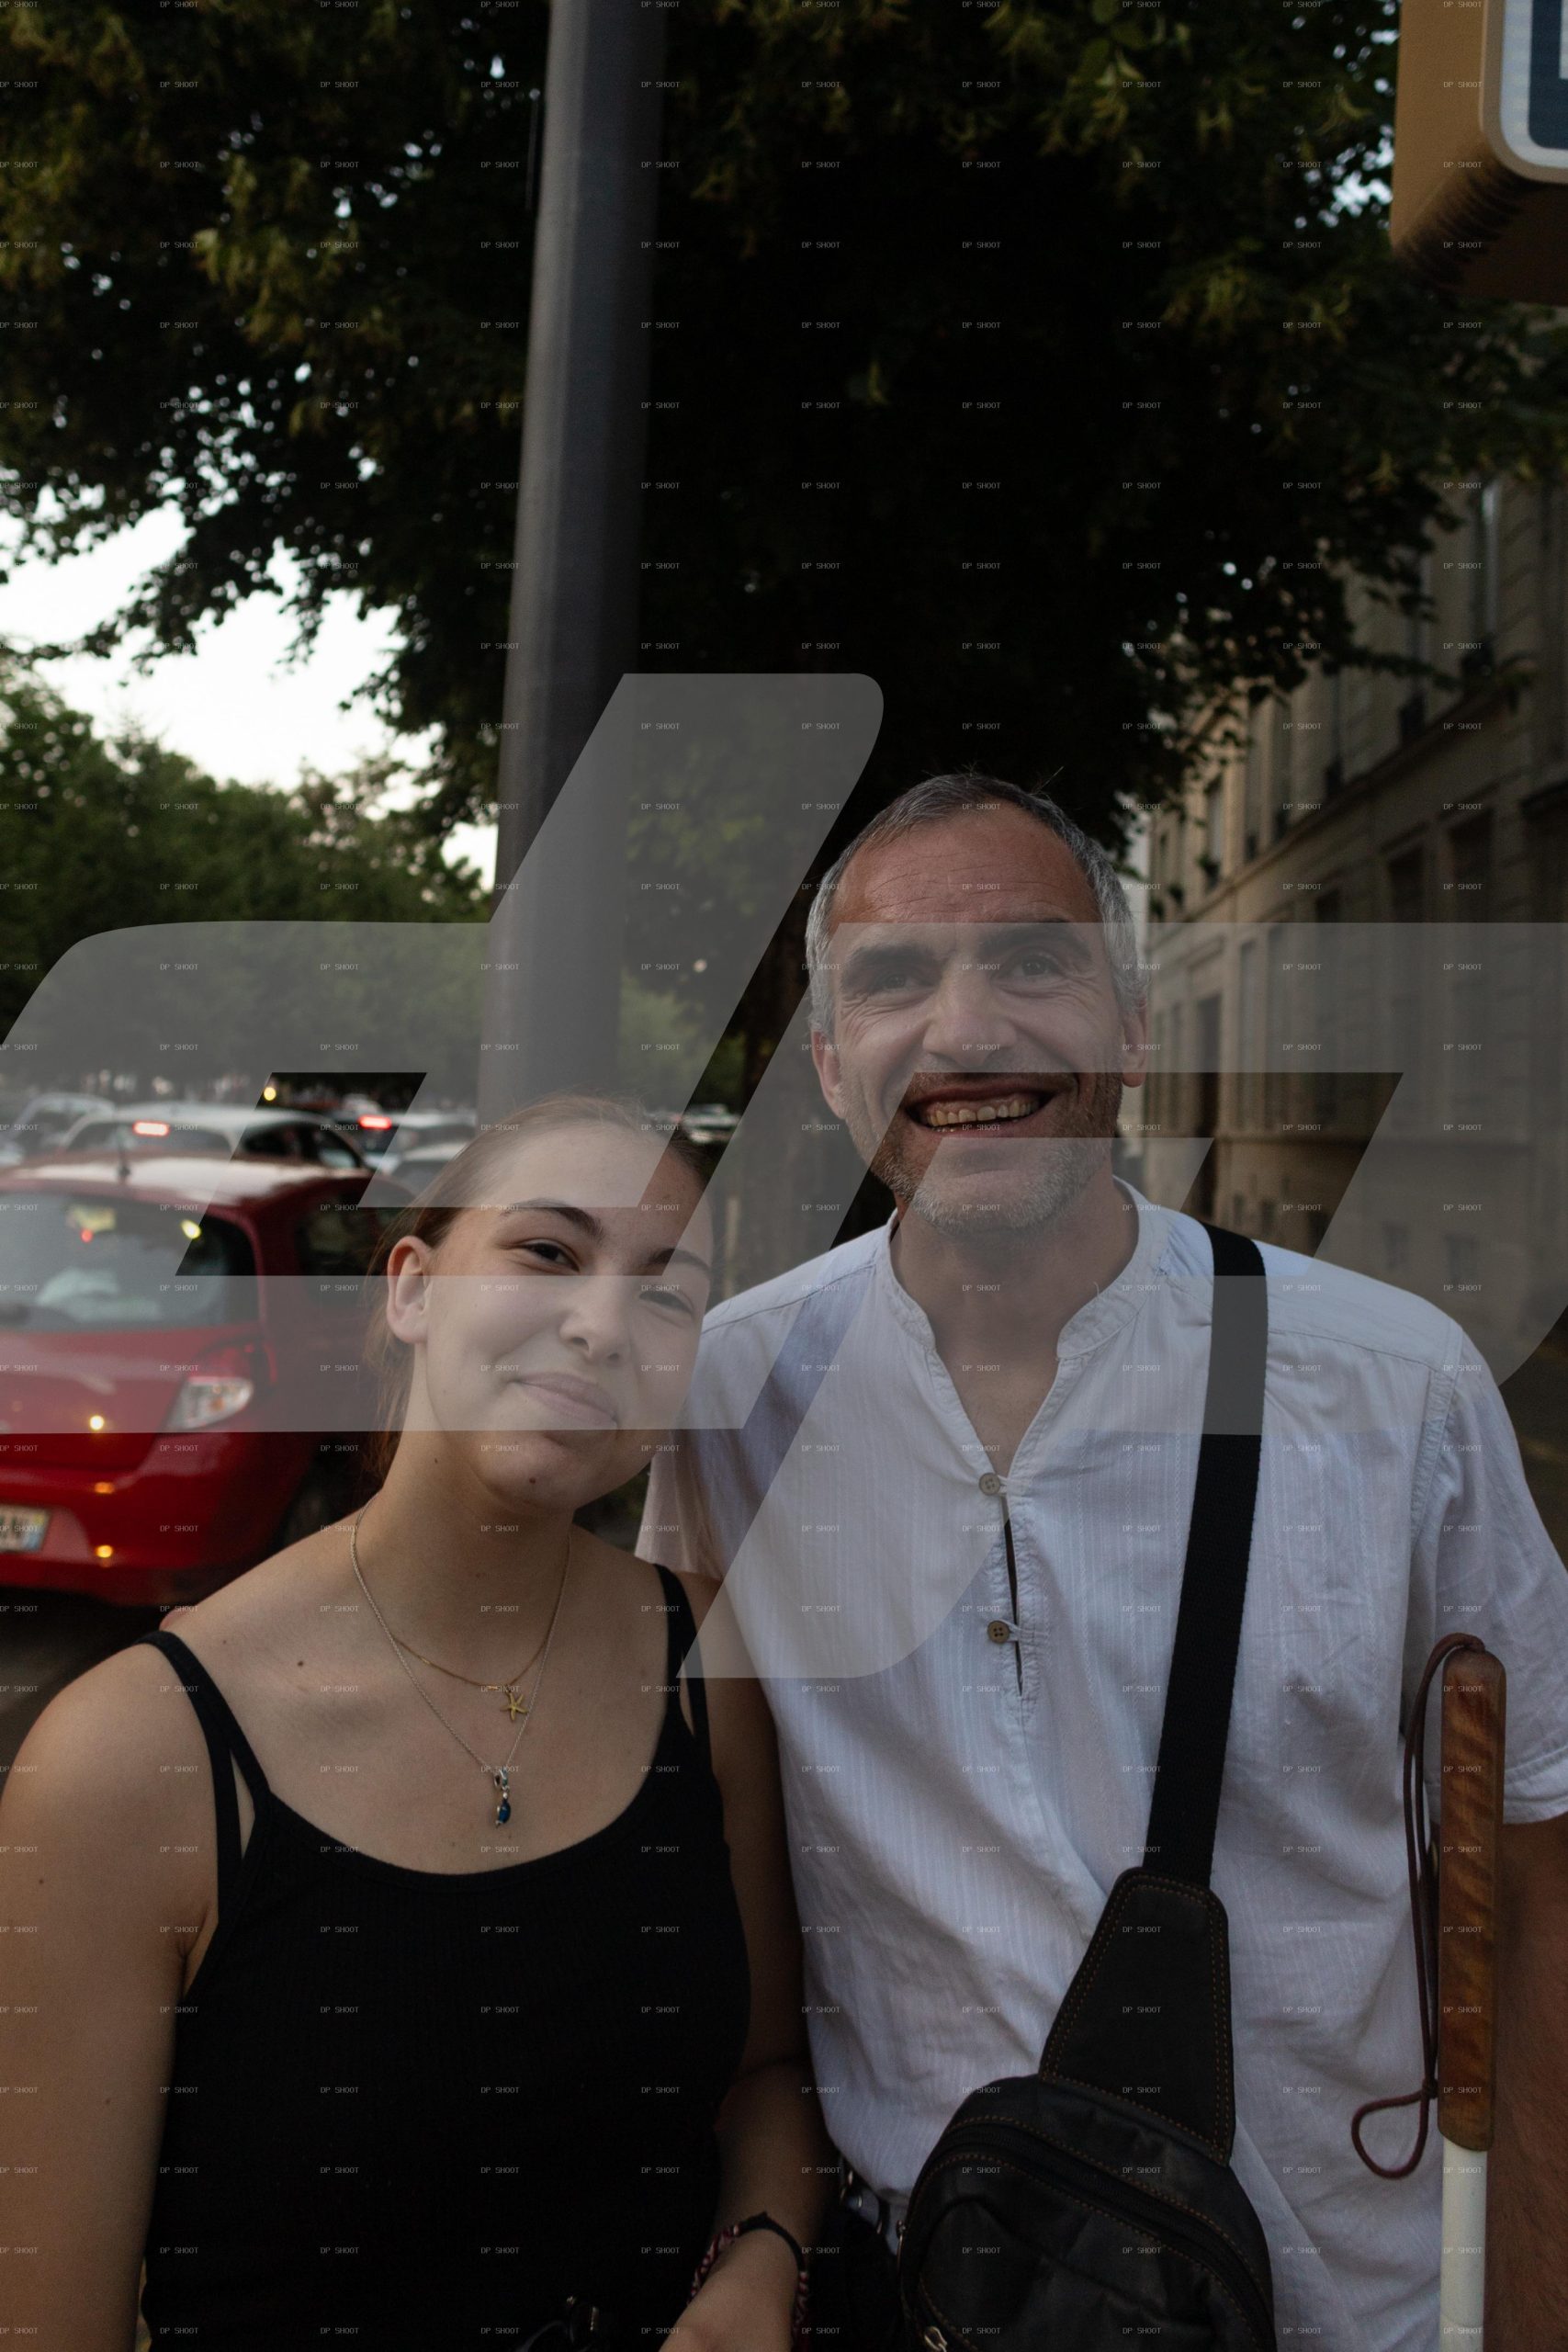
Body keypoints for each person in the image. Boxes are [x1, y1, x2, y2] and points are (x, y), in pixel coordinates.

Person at [638, 772, 1568, 2351]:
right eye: (894, 980)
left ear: (1132, 1028)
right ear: (829, 1062)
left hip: (1356, 2308)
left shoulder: (1393, 1384)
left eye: (1032, 962)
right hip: (927, 2294)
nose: (966, 1030)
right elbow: (725, 1871)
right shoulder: (737, 1392)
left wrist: (1533, 2312)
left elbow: (1539, 1878)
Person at [0, 1091, 832, 2352]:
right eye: (546, 1250)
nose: (602, 1323)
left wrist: (760, 2261)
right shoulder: (129, 1760)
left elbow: (769, 2072)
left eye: (667, 1294)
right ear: (412, 1290)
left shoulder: (705, 1666)